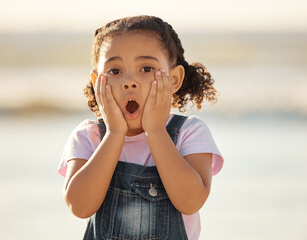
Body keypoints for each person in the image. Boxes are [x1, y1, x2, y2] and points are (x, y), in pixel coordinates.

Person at [58, 15, 224, 240]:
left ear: (174, 79)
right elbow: (79, 206)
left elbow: (191, 201)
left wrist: (155, 131)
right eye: (115, 71)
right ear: (98, 82)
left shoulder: (189, 132)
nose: (129, 81)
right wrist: (115, 134)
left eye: (146, 68)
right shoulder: (90, 136)